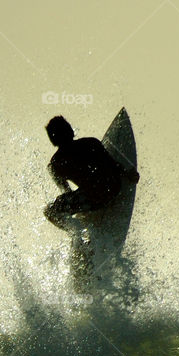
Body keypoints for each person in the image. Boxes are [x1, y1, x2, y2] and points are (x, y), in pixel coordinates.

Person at [43, 115, 140, 284]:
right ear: (71, 131)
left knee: (50, 211)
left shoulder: (55, 164)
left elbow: (66, 191)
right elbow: (113, 164)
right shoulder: (90, 143)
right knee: (84, 194)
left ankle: (76, 231)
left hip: (93, 197)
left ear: (53, 140)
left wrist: (78, 209)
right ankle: (80, 229)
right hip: (112, 189)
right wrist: (128, 173)